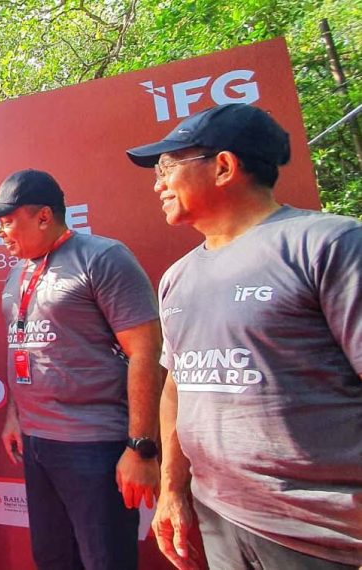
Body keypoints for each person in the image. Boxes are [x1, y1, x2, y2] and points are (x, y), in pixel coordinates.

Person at [126, 103, 362, 570]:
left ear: (224, 166)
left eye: (167, 167)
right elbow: (178, 386)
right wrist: (173, 491)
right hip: (221, 520)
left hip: (324, 536)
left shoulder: (326, 245)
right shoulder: (177, 277)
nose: (158, 185)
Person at [0, 169, 162, 569]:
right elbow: (22, 347)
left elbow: (146, 352)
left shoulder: (103, 257)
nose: (0, 233)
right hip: (36, 442)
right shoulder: (19, 272)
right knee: (53, 557)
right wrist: (15, 415)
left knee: (104, 560)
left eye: (7, 222)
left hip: (95, 444)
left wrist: (141, 447)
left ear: (44, 216)